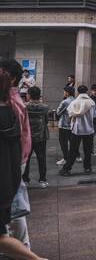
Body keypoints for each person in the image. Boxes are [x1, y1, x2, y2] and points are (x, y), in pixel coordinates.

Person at [0, 69, 46, 260]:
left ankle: (28, 252)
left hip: (16, 160)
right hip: (32, 144)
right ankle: (42, 178)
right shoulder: (16, 109)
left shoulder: (17, 106)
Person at [0, 58, 32, 249]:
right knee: (13, 202)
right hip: (16, 157)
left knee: (12, 203)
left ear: (10, 78)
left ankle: (23, 247)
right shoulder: (12, 99)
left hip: (12, 158)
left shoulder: (11, 102)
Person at [59, 85, 96, 176]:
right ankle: (87, 168)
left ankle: (67, 169)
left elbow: (70, 115)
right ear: (86, 92)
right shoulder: (91, 102)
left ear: (78, 92)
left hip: (77, 130)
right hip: (89, 130)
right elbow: (94, 116)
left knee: (73, 150)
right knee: (87, 150)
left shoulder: (74, 102)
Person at [22, 87, 49, 188]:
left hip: (27, 137)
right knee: (41, 158)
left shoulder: (24, 107)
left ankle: (25, 179)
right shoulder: (45, 107)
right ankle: (42, 179)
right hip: (41, 136)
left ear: (29, 95)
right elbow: (46, 121)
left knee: (26, 159)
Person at [56, 86, 75, 166]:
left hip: (64, 125)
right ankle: (75, 156)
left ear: (67, 92)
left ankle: (66, 158)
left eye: (64, 91)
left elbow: (58, 112)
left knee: (63, 142)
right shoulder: (75, 100)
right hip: (72, 124)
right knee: (72, 142)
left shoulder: (65, 101)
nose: (63, 93)